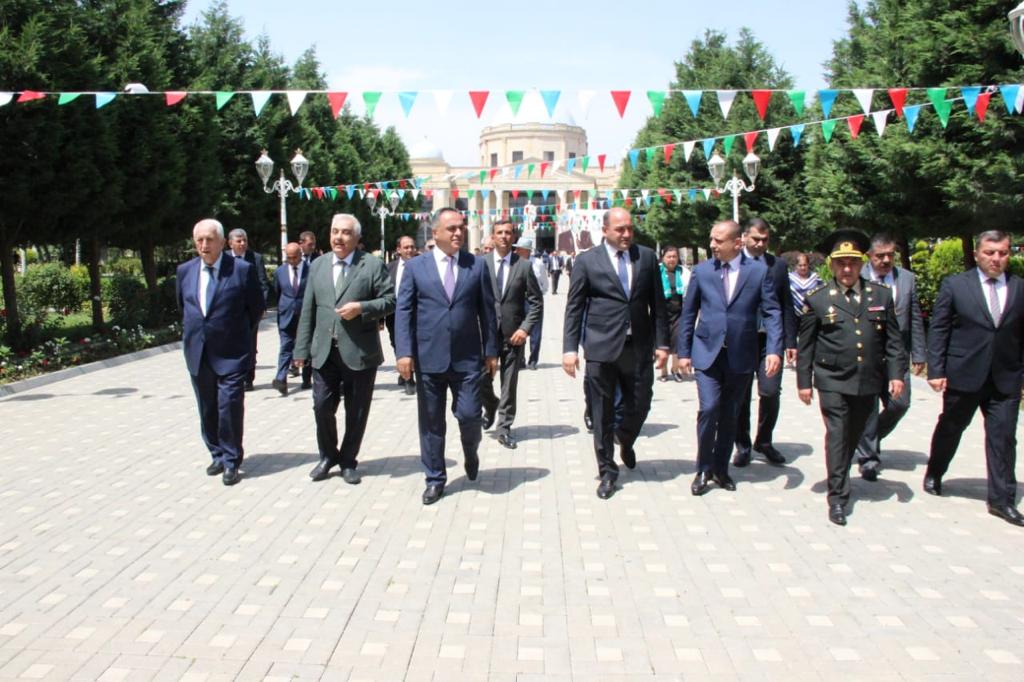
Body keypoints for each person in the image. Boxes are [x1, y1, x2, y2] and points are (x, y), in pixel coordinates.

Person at [796, 229, 906, 526]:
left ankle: (840, 473)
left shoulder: (880, 295)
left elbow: (893, 341)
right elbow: (806, 346)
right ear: (832, 265)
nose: (847, 269)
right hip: (832, 378)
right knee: (838, 434)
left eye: (853, 263)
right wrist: (804, 382)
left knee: (855, 434)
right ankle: (838, 497)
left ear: (862, 263)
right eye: (841, 263)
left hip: (867, 378)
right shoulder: (818, 299)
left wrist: (896, 375)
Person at [563, 207, 669, 500]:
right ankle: (607, 471)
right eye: (620, 229)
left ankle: (626, 437)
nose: (626, 234)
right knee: (602, 412)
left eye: (630, 229)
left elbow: (658, 305)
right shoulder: (587, 261)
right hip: (601, 348)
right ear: (605, 231)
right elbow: (574, 308)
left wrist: (663, 344)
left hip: (638, 347)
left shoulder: (646, 257)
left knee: (641, 402)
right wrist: (570, 349)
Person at [395, 208, 498, 505]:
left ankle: (470, 451)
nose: (458, 232)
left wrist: (491, 351)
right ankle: (435, 478)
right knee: (431, 423)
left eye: (461, 227)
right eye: (451, 228)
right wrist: (404, 352)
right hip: (429, 358)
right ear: (435, 232)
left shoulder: (476, 265)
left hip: (468, 358)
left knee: (469, 415)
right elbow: (404, 311)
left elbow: (487, 311)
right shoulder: (416, 267)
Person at [924, 230, 1024, 527]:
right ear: (978, 254)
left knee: (1003, 438)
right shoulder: (956, 285)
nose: (996, 258)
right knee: (951, 427)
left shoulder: (1019, 288)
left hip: (1005, 378)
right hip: (964, 374)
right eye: (990, 252)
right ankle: (935, 471)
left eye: (1003, 253)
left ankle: (1002, 500)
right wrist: (936, 370)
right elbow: (939, 328)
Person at [677, 220, 782, 497]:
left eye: (718, 240)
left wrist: (774, 349)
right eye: (711, 239)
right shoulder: (702, 272)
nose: (712, 244)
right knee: (709, 408)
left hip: (741, 354)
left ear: (737, 243)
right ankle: (703, 468)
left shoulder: (758, 272)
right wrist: (683, 352)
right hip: (707, 353)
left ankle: (720, 469)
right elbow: (688, 314)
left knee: (729, 413)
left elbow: (772, 312)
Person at [292, 214, 395, 485]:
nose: (338, 237)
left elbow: (390, 300)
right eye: (335, 231)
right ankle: (328, 455)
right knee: (321, 406)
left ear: (357, 237)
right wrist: (301, 349)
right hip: (324, 351)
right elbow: (308, 309)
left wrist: (362, 308)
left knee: (356, 411)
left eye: (346, 232)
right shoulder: (318, 265)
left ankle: (348, 460)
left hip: (359, 351)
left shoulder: (371, 265)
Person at [176, 219, 265, 486]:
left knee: (229, 407)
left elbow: (255, 308)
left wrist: (239, 337)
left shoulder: (241, 270)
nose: (204, 245)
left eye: (209, 239)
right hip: (198, 352)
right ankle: (216, 453)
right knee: (208, 408)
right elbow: (184, 307)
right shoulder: (185, 271)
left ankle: (231, 460)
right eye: (199, 240)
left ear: (222, 242)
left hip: (232, 353)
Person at [854, 233, 927, 480]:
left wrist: (919, 353)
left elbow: (914, 318)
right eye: (880, 256)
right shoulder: (857, 277)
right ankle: (869, 459)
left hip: (898, 354)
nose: (886, 260)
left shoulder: (906, 279)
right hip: (867, 353)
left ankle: (867, 438)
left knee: (900, 404)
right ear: (869, 256)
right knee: (869, 407)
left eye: (890, 255)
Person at [733, 218, 798, 467]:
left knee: (770, 391)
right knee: (741, 394)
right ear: (744, 237)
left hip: (771, 340)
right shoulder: (735, 263)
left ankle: (764, 440)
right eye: (756, 239)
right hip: (742, 340)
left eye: (765, 240)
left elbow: (786, 304)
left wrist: (790, 341)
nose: (761, 244)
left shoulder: (777, 266)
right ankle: (743, 445)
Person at [480, 224, 544, 449]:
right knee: (480, 379)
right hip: (485, 335)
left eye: (508, 233)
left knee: (509, 384)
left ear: (514, 237)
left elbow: (536, 302)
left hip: (513, 335)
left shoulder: (523, 266)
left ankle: (504, 427)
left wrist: (525, 329)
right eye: (500, 233)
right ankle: (490, 404)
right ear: (492, 236)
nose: (504, 236)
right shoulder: (481, 264)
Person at [227, 228, 269, 391]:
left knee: (250, 344)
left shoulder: (255, 258)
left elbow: (263, 283)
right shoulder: (224, 258)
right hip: (229, 311)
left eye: (244, 240)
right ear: (230, 243)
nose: (243, 243)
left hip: (250, 310)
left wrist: (262, 306)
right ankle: (234, 375)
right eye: (239, 241)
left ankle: (248, 378)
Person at [271, 243, 310, 395]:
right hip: (286, 315)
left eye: (294, 257)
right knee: (285, 347)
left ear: (301, 254)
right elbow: (277, 292)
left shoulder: (311, 270)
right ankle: (281, 379)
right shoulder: (280, 272)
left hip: (305, 315)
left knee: (306, 347)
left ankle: (307, 378)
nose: (292, 261)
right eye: (289, 258)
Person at [385, 235, 419, 396]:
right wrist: (380, 319)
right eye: (406, 247)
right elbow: (383, 292)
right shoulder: (389, 268)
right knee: (397, 344)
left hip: (417, 314)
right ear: (398, 250)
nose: (410, 250)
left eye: (412, 247)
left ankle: (409, 379)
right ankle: (404, 370)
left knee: (414, 344)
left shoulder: (422, 265)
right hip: (394, 315)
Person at [657, 246, 690, 383]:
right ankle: (663, 371)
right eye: (668, 257)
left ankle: (675, 370)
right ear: (663, 258)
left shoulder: (683, 272)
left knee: (677, 343)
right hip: (661, 314)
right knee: (663, 343)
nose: (671, 259)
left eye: (674, 257)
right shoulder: (657, 272)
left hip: (678, 314)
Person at [526, 248, 549, 370]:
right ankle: (520, 359)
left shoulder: (538, 263)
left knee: (536, 331)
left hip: (535, 298)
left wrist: (540, 293)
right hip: (519, 297)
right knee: (518, 329)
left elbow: (544, 281)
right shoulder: (515, 262)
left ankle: (533, 360)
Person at [788, 252, 822, 316]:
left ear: (808, 265)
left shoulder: (815, 277)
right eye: (800, 265)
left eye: (805, 265)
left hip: (812, 313)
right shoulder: (789, 277)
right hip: (793, 314)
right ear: (796, 265)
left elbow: (822, 292)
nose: (803, 268)